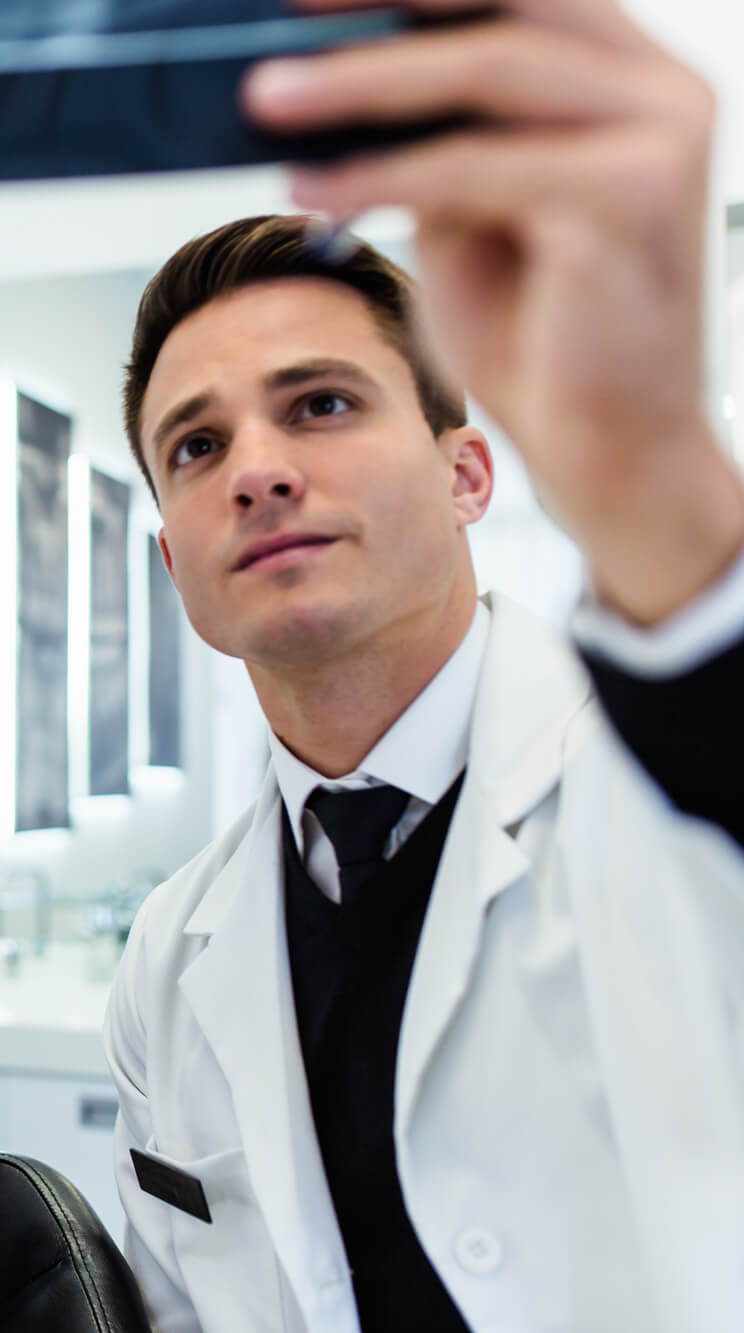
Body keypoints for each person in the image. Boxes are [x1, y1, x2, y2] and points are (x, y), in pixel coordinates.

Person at [103, 2, 744, 1331]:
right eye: (195, 446)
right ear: (173, 562)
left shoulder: (668, 789)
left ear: (465, 475)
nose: (260, 468)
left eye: (320, 404)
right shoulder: (169, 959)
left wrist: (662, 485)